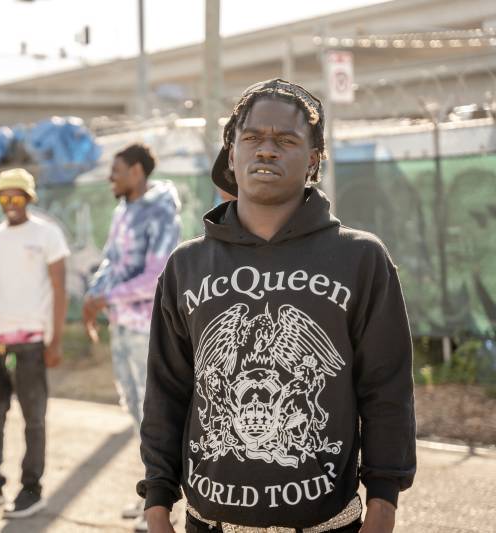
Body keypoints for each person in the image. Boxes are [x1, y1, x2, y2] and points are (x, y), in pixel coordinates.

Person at [138, 79, 416, 533]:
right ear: (232, 154)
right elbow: (167, 388)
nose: (266, 150)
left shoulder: (360, 258)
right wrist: (156, 504)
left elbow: (387, 390)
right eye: (252, 138)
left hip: (327, 524)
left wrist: (383, 506)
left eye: (286, 140)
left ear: (312, 159)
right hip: (209, 523)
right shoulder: (187, 264)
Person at [82, 143, 181, 531]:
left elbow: (158, 275)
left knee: (154, 418)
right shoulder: (124, 210)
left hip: (147, 330)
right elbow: (112, 260)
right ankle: (149, 498)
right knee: (136, 414)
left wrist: (107, 296)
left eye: (117, 170)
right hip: (121, 325)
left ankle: (162, 508)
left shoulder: (161, 212)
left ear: (137, 172)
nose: (112, 177)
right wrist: (95, 294)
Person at [0, 168, 69, 519]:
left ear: (28, 198)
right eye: (4, 197)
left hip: (30, 345)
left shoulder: (47, 234)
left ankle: (31, 489)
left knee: (33, 419)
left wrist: (54, 341)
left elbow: (58, 289)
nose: (10, 203)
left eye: (17, 196)